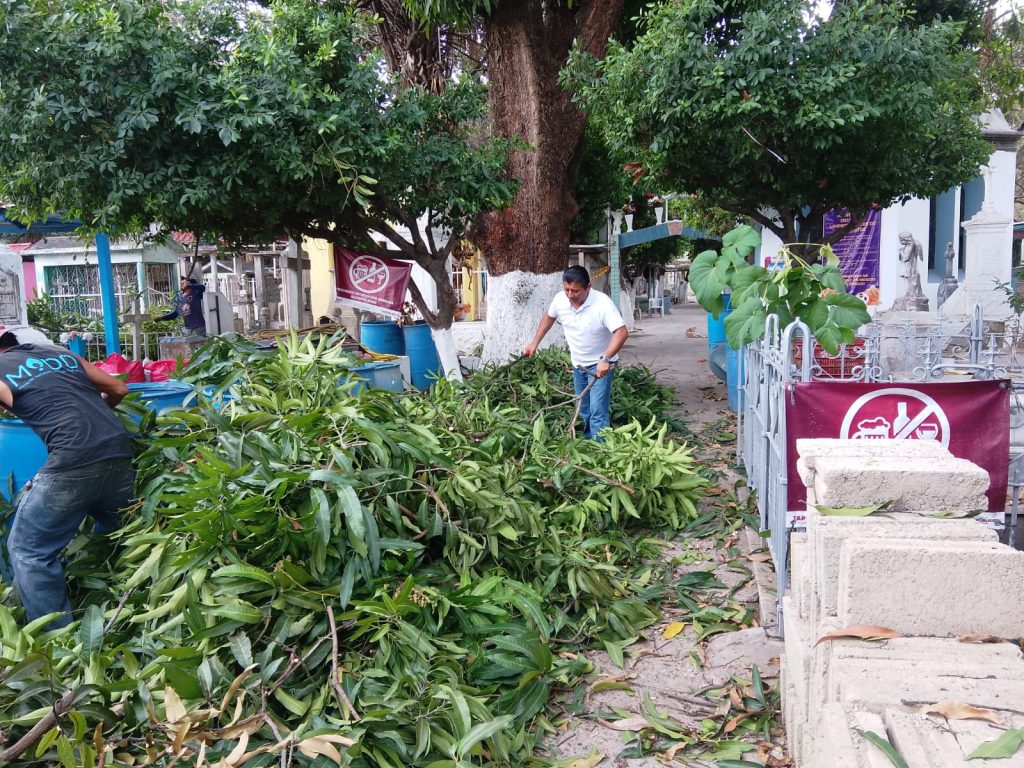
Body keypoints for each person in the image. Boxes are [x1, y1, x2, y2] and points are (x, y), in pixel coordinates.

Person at [0, 330, 135, 628]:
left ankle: (58, 638)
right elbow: (119, 388)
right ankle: (127, 609)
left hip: (71, 460)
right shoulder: (61, 354)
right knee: (122, 533)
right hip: (117, 448)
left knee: (28, 551)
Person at [525, 266, 629, 440]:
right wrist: (534, 343)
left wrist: (605, 358)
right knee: (584, 407)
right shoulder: (560, 300)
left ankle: (602, 448)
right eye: (567, 289)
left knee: (597, 410)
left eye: (575, 291)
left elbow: (622, 332)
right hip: (578, 364)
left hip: (601, 365)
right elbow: (549, 317)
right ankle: (589, 441)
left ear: (588, 288)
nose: (570, 295)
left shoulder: (602, 304)